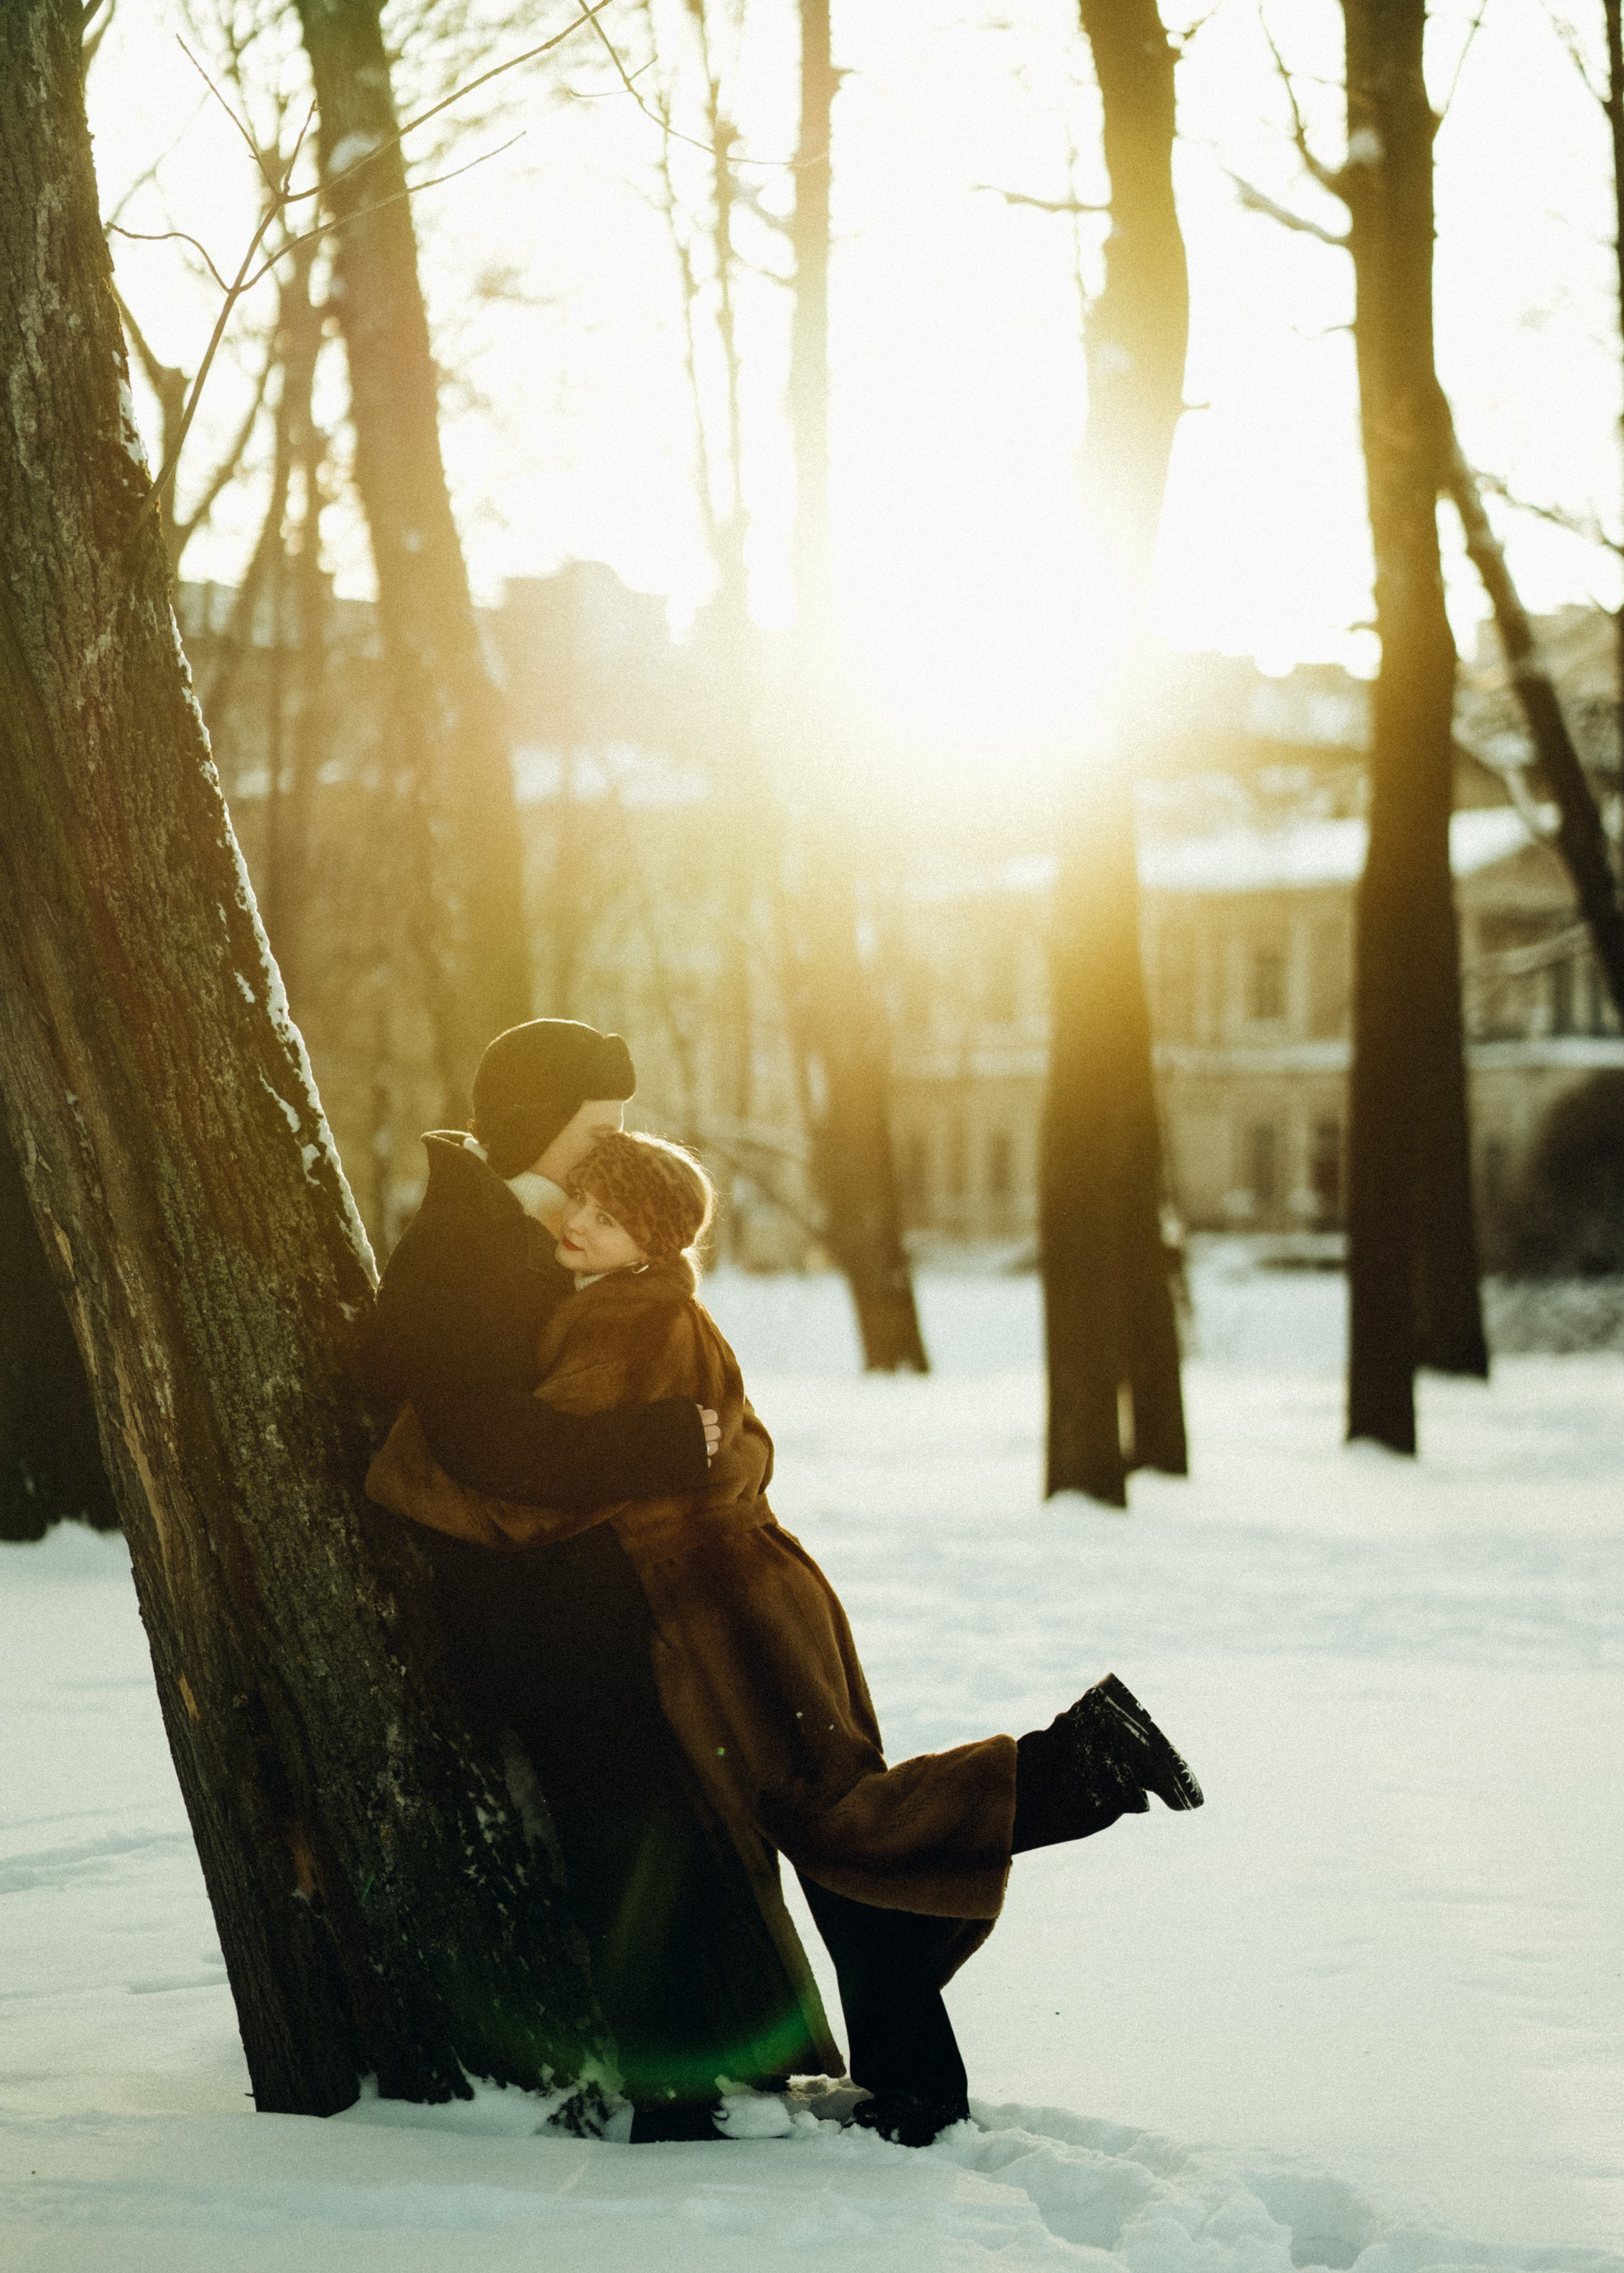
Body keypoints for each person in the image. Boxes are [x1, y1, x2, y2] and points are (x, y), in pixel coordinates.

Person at [367, 1128, 1203, 2148]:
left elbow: (535, 1501)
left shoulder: (627, 1322)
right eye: (579, 1200)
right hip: (763, 1594)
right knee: (838, 1837)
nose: (577, 1223)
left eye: (608, 1214)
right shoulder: (661, 1306)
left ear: (651, 1240)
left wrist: (400, 1463)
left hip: (728, 1622)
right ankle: (916, 2084)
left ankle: (1079, 1760)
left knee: (845, 1825)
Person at [362, 1022, 839, 2138]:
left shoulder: (549, 1233)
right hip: (527, 1608)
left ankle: (723, 2062)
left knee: (669, 1819)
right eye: (599, 1127)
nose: (611, 1152)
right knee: (621, 1832)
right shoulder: (464, 1241)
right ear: (539, 1123)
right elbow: (485, 1440)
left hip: (594, 1593)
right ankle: (669, 2092)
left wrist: (713, 1453)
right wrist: (662, 1449)